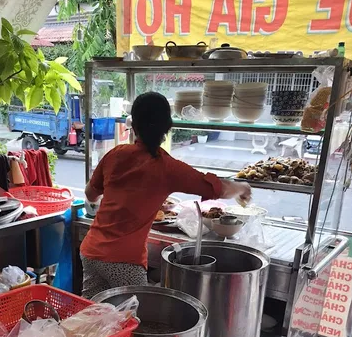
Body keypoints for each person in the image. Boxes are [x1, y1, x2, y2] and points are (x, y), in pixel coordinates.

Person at [80, 91, 251, 299]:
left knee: (92, 317)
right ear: (167, 128)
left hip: (91, 251)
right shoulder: (166, 167)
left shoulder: (115, 154)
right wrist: (242, 187)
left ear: (133, 125)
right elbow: (216, 187)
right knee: (134, 320)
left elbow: (90, 194)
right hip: (124, 261)